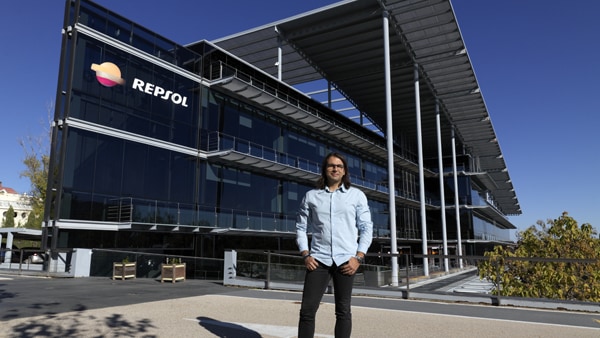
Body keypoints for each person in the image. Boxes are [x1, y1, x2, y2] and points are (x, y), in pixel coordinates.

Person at [296, 152, 373, 338]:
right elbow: (300, 227)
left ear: (344, 170)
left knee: (343, 311)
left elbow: (366, 228)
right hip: (318, 259)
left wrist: (358, 257)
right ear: (325, 169)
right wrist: (305, 254)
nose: (335, 168)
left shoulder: (357, 196)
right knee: (307, 310)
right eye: (331, 165)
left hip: (346, 260)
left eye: (339, 166)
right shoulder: (311, 196)